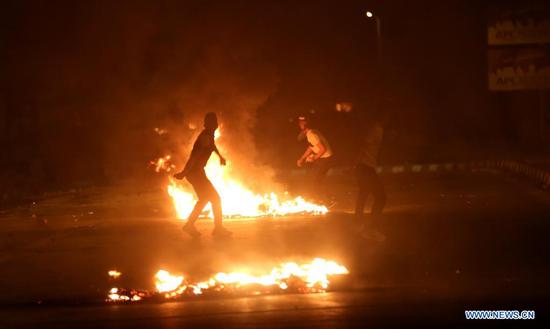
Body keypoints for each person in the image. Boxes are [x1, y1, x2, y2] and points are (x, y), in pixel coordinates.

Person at [174, 112, 232, 238]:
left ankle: (190, 225)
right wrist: (184, 172)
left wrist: (220, 156)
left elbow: (212, 146)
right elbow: (194, 157)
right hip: (195, 173)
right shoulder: (205, 137)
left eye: (216, 121)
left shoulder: (209, 136)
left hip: (197, 172)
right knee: (215, 198)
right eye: (214, 122)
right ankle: (218, 229)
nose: (217, 124)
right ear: (208, 124)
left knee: (205, 198)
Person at [355, 115, 388, 241]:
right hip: (365, 167)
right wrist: (355, 163)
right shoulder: (375, 128)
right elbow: (363, 144)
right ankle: (370, 229)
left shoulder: (379, 129)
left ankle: (359, 225)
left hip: (365, 166)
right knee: (381, 197)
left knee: (363, 194)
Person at [296, 116, 333, 200]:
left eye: (301, 123)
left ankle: (328, 199)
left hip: (325, 159)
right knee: (312, 179)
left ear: (305, 126)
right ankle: (320, 199)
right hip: (323, 158)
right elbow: (310, 147)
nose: (299, 125)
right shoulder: (312, 132)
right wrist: (302, 158)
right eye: (299, 123)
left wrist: (314, 158)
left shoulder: (312, 135)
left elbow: (323, 149)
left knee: (315, 181)